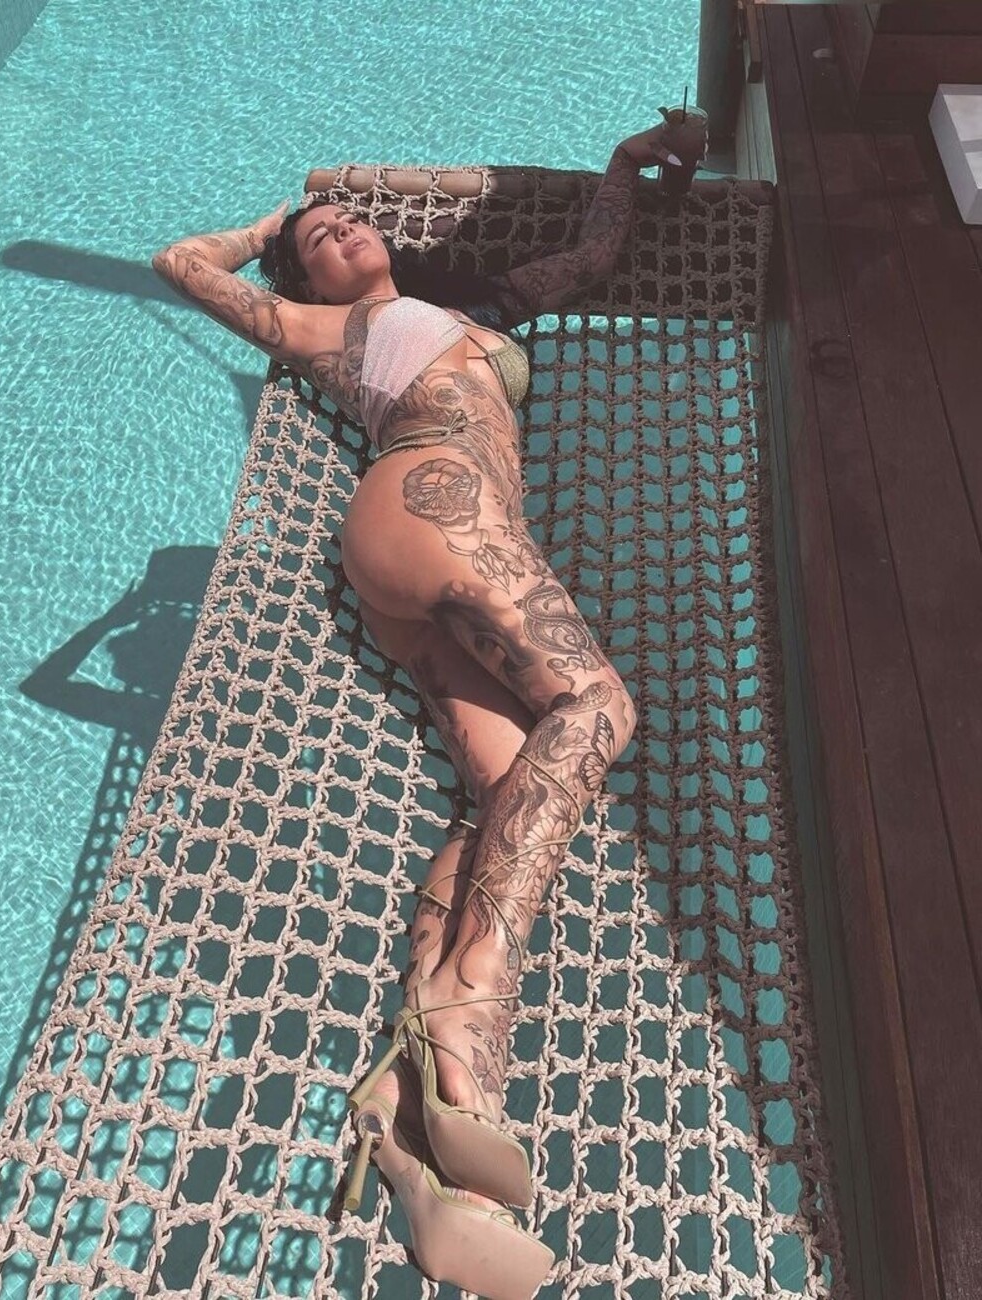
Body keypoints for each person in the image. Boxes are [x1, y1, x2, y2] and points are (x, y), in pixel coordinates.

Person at [153, 120, 690, 1300]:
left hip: (428, 553)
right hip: (433, 498)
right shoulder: (325, 330)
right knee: (598, 704)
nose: (344, 231)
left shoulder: (479, 305)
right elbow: (178, 265)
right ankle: (469, 996)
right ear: (305, 281)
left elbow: (593, 256)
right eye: (320, 242)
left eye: (351, 220)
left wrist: (632, 162)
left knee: (503, 794)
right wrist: (272, 223)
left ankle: (418, 1123)